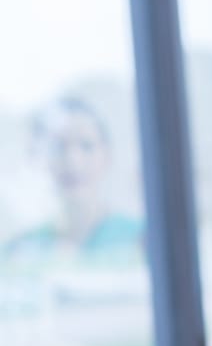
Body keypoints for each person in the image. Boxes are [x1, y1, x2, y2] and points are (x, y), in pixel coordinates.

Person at [1, 96, 144, 272]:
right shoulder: (19, 252)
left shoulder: (141, 240)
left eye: (86, 146)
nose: (72, 161)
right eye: (59, 147)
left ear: (107, 156)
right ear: (39, 158)